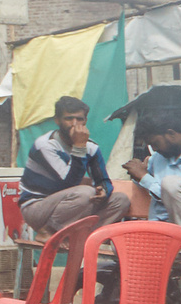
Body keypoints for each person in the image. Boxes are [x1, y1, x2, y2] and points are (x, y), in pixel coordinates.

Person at [20, 96, 114, 237]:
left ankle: (86, 237)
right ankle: (48, 231)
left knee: (120, 200)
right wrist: (79, 147)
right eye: (69, 119)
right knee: (86, 193)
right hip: (37, 207)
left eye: (79, 119)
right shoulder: (45, 145)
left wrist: (104, 191)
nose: (74, 124)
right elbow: (69, 183)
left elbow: (103, 180)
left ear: (85, 121)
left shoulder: (91, 147)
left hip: (69, 206)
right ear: (57, 120)